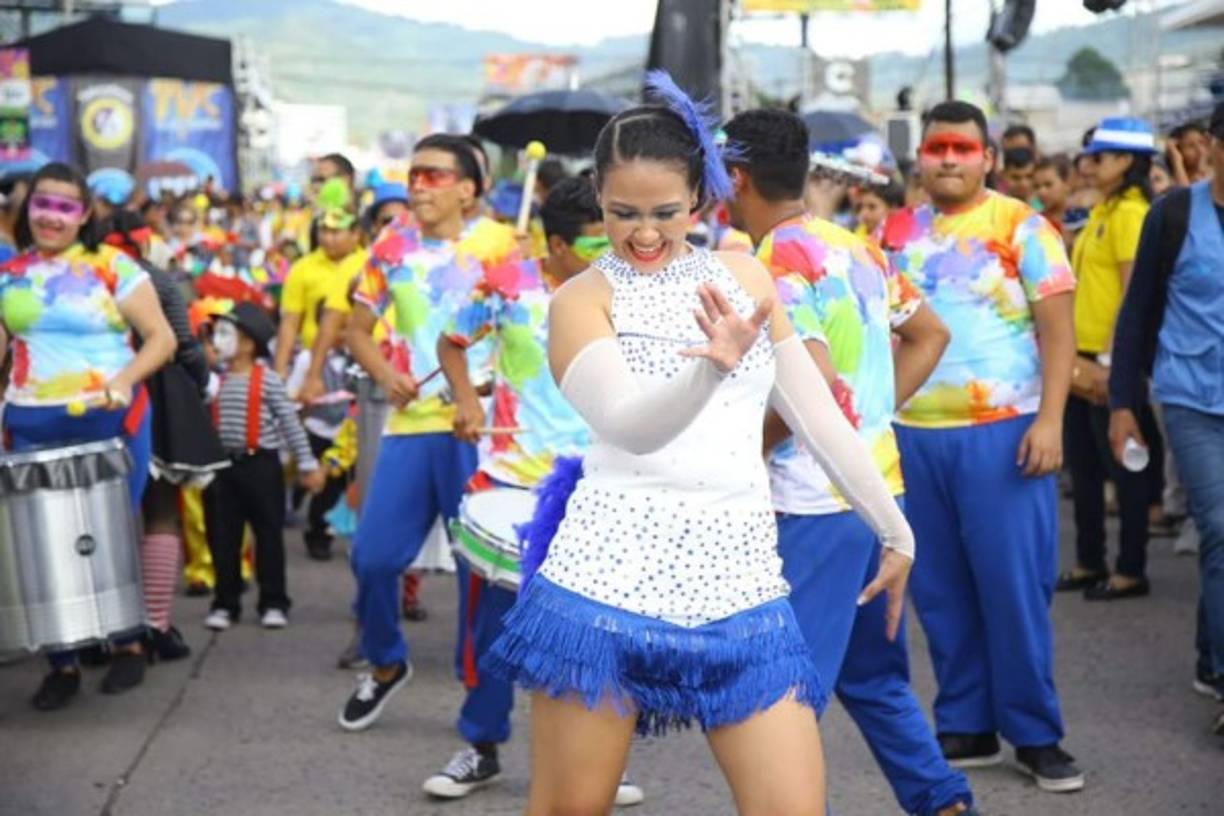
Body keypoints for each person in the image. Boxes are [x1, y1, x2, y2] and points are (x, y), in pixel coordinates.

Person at [484, 73, 914, 816]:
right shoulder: (581, 299)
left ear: (701, 201)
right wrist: (710, 369)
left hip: (742, 590)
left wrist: (895, 528)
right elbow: (630, 426)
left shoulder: (746, 275)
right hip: (602, 594)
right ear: (599, 200)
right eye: (621, 214)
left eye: (664, 212)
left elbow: (817, 417)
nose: (644, 234)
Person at [723, 108, 977, 816]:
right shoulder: (856, 248)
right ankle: (944, 803)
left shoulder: (772, 263)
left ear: (734, 177)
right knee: (873, 677)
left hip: (813, 503)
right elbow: (929, 334)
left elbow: (811, 382)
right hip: (874, 495)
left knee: (781, 700)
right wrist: (862, 417)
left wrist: (746, 447)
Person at [879, 101, 1083, 792]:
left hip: (1004, 433)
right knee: (937, 590)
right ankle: (964, 720)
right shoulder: (895, 232)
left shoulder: (1024, 228)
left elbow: (1060, 331)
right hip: (914, 436)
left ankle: (1035, 731)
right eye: (936, 147)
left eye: (962, 148)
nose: (947, 159)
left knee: (1013, 588)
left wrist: (1050, 420)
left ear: (988, 157)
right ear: (920, 158)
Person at [426, 177, 642, 806]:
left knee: (594, 627)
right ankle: (482, 744)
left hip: (599, 482)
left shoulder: (627, 289)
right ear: (555, 246)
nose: (609, 253)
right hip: (514, 477)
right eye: (593, 242)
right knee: (493, 627)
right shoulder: (506, 283)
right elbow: (451, 342)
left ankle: (599, 758)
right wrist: (466, 399)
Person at [336, 134, 531, 730]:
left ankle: (478, 712)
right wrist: (386, 373)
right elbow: (358, 330)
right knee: (371, 557)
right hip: (413, 421)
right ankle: (388, 661)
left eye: (433, 175)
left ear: (468, 189)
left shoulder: (503, 242)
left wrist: (526, 268)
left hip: (485, 425)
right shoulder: (390, 246)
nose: (418, 185)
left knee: (482, 577)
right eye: (413, 173)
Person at [0, 162, 176, 710]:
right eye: (42, 204)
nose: (52, 216)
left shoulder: (114, 267)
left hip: (109, 418)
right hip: (30, 419)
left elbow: (160, 338)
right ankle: (62, 663)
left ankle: (128, 646)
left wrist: (124, 380)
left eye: (65, 206)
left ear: (84, 215)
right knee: (40, 547)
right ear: (28, 209)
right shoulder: (12, 273)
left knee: (105, 538)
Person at [1108, 102, 1224, 735]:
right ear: (1213, 147)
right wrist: (1123, 403)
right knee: (1222, 528)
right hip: (1191, 399)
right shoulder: (1175, 215)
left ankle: (1211, 655)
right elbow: (1139, 314)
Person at [97, 210, 228, 661]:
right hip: (158, 394)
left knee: (98, 516)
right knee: (159, 509)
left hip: (94, 389)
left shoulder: (83, 275)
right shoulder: (154, 277)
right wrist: (203, 380)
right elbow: (184, 341)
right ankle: (154, 623)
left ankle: (104, 627)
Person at [1059, 117, 1162, 601]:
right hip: (1082, 357)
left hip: (1108, 360)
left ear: (1126, 161)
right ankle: (1090, 559)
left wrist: (1111, 362)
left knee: (1124, 465)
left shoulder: (1131, 214)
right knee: (1084, 465)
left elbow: (1131, 295)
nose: (1088, 165)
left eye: (1099, 157)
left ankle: (1130, 567)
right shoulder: (1105, 208)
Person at [203, 302, 325, 631]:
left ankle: (273, 601)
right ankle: (225, 602)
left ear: (248, 344)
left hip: (262, 466)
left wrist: (306, 463)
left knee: (268, 535)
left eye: (226, 333)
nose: (218, 339)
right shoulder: (214, 382)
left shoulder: (269, 381)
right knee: (224, 538)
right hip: (223, 468)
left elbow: (289, 423)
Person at [273, 197, 367, 380]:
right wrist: (280, 370)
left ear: (355, 233)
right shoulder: (302, 268)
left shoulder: (369, 265)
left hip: (362, 362)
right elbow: (290, 323)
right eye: (323, 230)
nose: (326, 238)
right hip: (315, 362)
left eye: (335, 232)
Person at [1033, 154, 1073, 240]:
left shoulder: (1084, 219)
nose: (1041, 192)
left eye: (1048, 185)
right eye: (1036, 187)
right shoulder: (1035, 224)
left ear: (1067, 183)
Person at [1167, 121, 1212, 186]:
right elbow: (1185, 194)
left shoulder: (1217, 170)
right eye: (1190, 146)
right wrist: (1177, 161)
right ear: (1179, 151)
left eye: (1201, 142)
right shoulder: (1174, 181)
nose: (1199, 150)